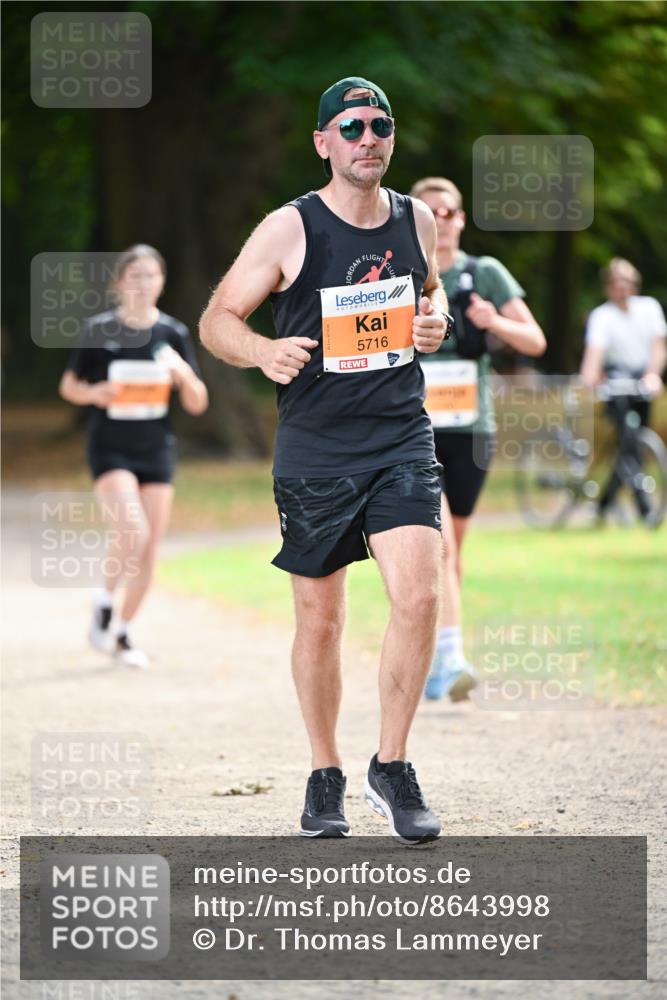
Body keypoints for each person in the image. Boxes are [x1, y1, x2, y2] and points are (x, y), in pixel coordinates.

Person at [200, 78, 451, 845]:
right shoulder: (289, 227)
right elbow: (217, 319)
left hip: (400, 436)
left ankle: (391, 764)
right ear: (323, 141)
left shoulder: (416, 218)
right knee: (321, 621)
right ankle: (323, 770)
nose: (367, 138)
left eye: (380, 125)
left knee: (419, 594)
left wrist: (434, 321)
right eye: (351, 126)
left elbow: (430, 291)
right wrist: (261, 351)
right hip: (315, 449)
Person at [410, 177, 546, 702]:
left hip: (471, 432)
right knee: (438, 546)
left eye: (449, 213)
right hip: (415, 431)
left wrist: (493, 322)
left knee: (450, 554)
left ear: (462, 219)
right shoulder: (399, 270)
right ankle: (450, 657)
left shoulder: (483, 272)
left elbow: (534, 339)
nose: (441, 222)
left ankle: (432, 659)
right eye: (431, 212)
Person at [59, 244, 209, 667]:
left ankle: (122, 634)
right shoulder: (98, 330)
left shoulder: (172, 333)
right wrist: (94, 392)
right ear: (120, 282)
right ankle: (104, 600)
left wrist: (183, 375)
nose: (144, 284)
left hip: (156, 449)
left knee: (148, 550)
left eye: (151, 275)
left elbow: (198, 403)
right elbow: (69, 386)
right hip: (110, 447)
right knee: (132, 529)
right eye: (135, 275)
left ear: (162, 281)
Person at [580, 257, 666, 521]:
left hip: (642, 382)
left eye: (627, 282)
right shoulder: (602, 316)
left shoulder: (649, 308)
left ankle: (603, 505)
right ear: (608, 286)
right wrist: (589, 377)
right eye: (617, 283)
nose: (622, 288)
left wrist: (653, 375)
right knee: (629, 442)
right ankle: (645, 508)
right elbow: (594, 354)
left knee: (632, 444)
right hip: (616, 383)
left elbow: (658, 346)